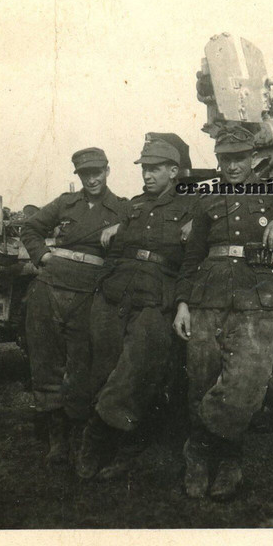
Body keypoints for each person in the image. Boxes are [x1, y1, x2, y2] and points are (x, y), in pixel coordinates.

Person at [173, 124, 273, 500]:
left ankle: (206, 450)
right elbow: (191, 256)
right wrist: (182, 303)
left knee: (245, 385)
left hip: (258, 300)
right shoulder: (206, 199)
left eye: (239, 159)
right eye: (225, 159)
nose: (232, 167)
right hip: (207, 298)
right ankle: (213, 463)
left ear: (253, 159)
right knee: (201, 380)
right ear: (218, 160)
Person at [75, 135, 193, 480]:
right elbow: (116, 243)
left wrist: (196, 224)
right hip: (117, 290)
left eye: (155, 169)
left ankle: (98, 440)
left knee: (134, 372)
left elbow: (190, 259)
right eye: (144, 169)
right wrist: (118, 227)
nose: (147, 175)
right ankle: (118, 445)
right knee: (103, 367)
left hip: (156, 298)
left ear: (173, 171)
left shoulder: (191, 206)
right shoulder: (134, 206)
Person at [20, 147, 129, 466]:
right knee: (46, 361)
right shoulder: (65, 203)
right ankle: (57, 440)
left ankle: (82, 436)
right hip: (50, 288)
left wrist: (121, 229)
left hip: (88, 292)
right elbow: (30, 228)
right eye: (85, 173)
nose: (92, 178)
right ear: (78, 176)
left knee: (82, 364)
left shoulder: (122, 208)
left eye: (97, 172)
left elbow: (141, 228)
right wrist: (43, 255)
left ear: (108, 170)